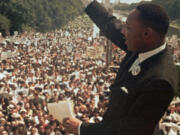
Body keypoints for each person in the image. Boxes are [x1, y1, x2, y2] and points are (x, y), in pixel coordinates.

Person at [62, 1, 177, 135]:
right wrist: (88, 2)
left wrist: (81, 128)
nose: (123, 32)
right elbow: (112, 26)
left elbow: (129, 130)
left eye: (128, 28)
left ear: (147, 33)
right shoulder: (147, 45)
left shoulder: (160, 81)